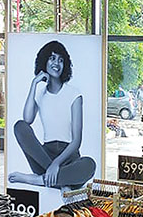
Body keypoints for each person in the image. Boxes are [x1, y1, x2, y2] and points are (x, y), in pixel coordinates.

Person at [8, 40, 96, 189]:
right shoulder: (41, 94)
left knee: (89, 165)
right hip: (44, 158)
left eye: (61, 60)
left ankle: (38, 180)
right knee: (19, 126)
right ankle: (60, 181)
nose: (57, 63)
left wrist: (56, 164)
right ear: (44, 61)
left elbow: (76, 141)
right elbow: (27, 119)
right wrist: (34, 84)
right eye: (52, 58)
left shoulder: (74, 95)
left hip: (68, 158)